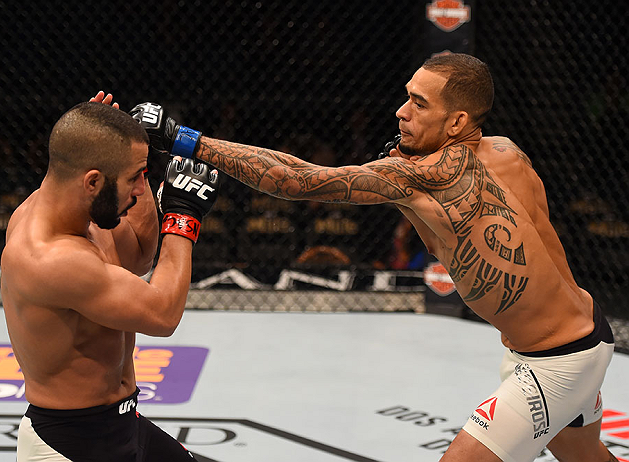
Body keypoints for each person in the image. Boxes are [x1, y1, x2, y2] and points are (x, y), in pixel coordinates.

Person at [132, 53, 618, 461]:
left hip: (556, 360)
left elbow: (301, 181)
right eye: (408, 95)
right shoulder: (509, 151)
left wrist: (184, 138)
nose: (401, 112)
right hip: (585, 329)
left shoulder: (419, 176)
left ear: (457, 122)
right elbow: (485, 238)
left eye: (418, 103)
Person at [0, 91, 219, 461]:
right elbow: (162, 315)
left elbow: (139, 253)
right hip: (73, 444)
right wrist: (183, 219)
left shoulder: (79, 211)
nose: (139, 189)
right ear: (92, 182)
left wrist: (134, 152)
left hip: (122, 423)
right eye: (135, 178)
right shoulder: (51, 257)